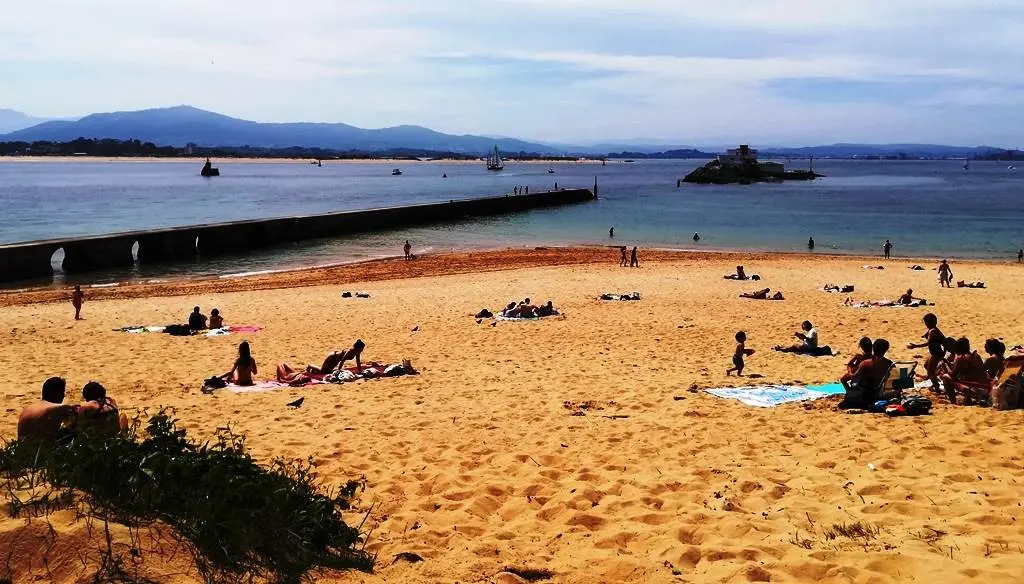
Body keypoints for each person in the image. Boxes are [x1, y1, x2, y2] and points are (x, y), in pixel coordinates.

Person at [17, 377, 77, 444]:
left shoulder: (27, 409)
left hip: (22, 449)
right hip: (41, 451)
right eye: (63, 393)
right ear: (59, 394)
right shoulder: (58, 408)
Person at [840, 339, 893, 409]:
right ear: (886, 350)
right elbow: (896, 380)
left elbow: (855, 377)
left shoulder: (865, 363)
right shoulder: (890, 364)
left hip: (865, 396)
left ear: (873, 348)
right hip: (877, 394)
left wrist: (850, 372)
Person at [940, 337, 990, 404]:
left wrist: (945, 368)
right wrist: (949, 364)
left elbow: (953, 375)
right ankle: (968, 400)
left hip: (974, 388)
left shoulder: (961, 358)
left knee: (945, 377)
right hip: (984, 386)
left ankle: (953, 402)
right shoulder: (976, 355)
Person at [907, 313, 946, 393]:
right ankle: (934, 377)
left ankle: (937, 388)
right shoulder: (932, 329)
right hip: (935, 352)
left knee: (930, 370)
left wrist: (915, 346)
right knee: (926, 365)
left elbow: (928, 343)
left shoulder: (933, 331)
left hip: (937, 353)